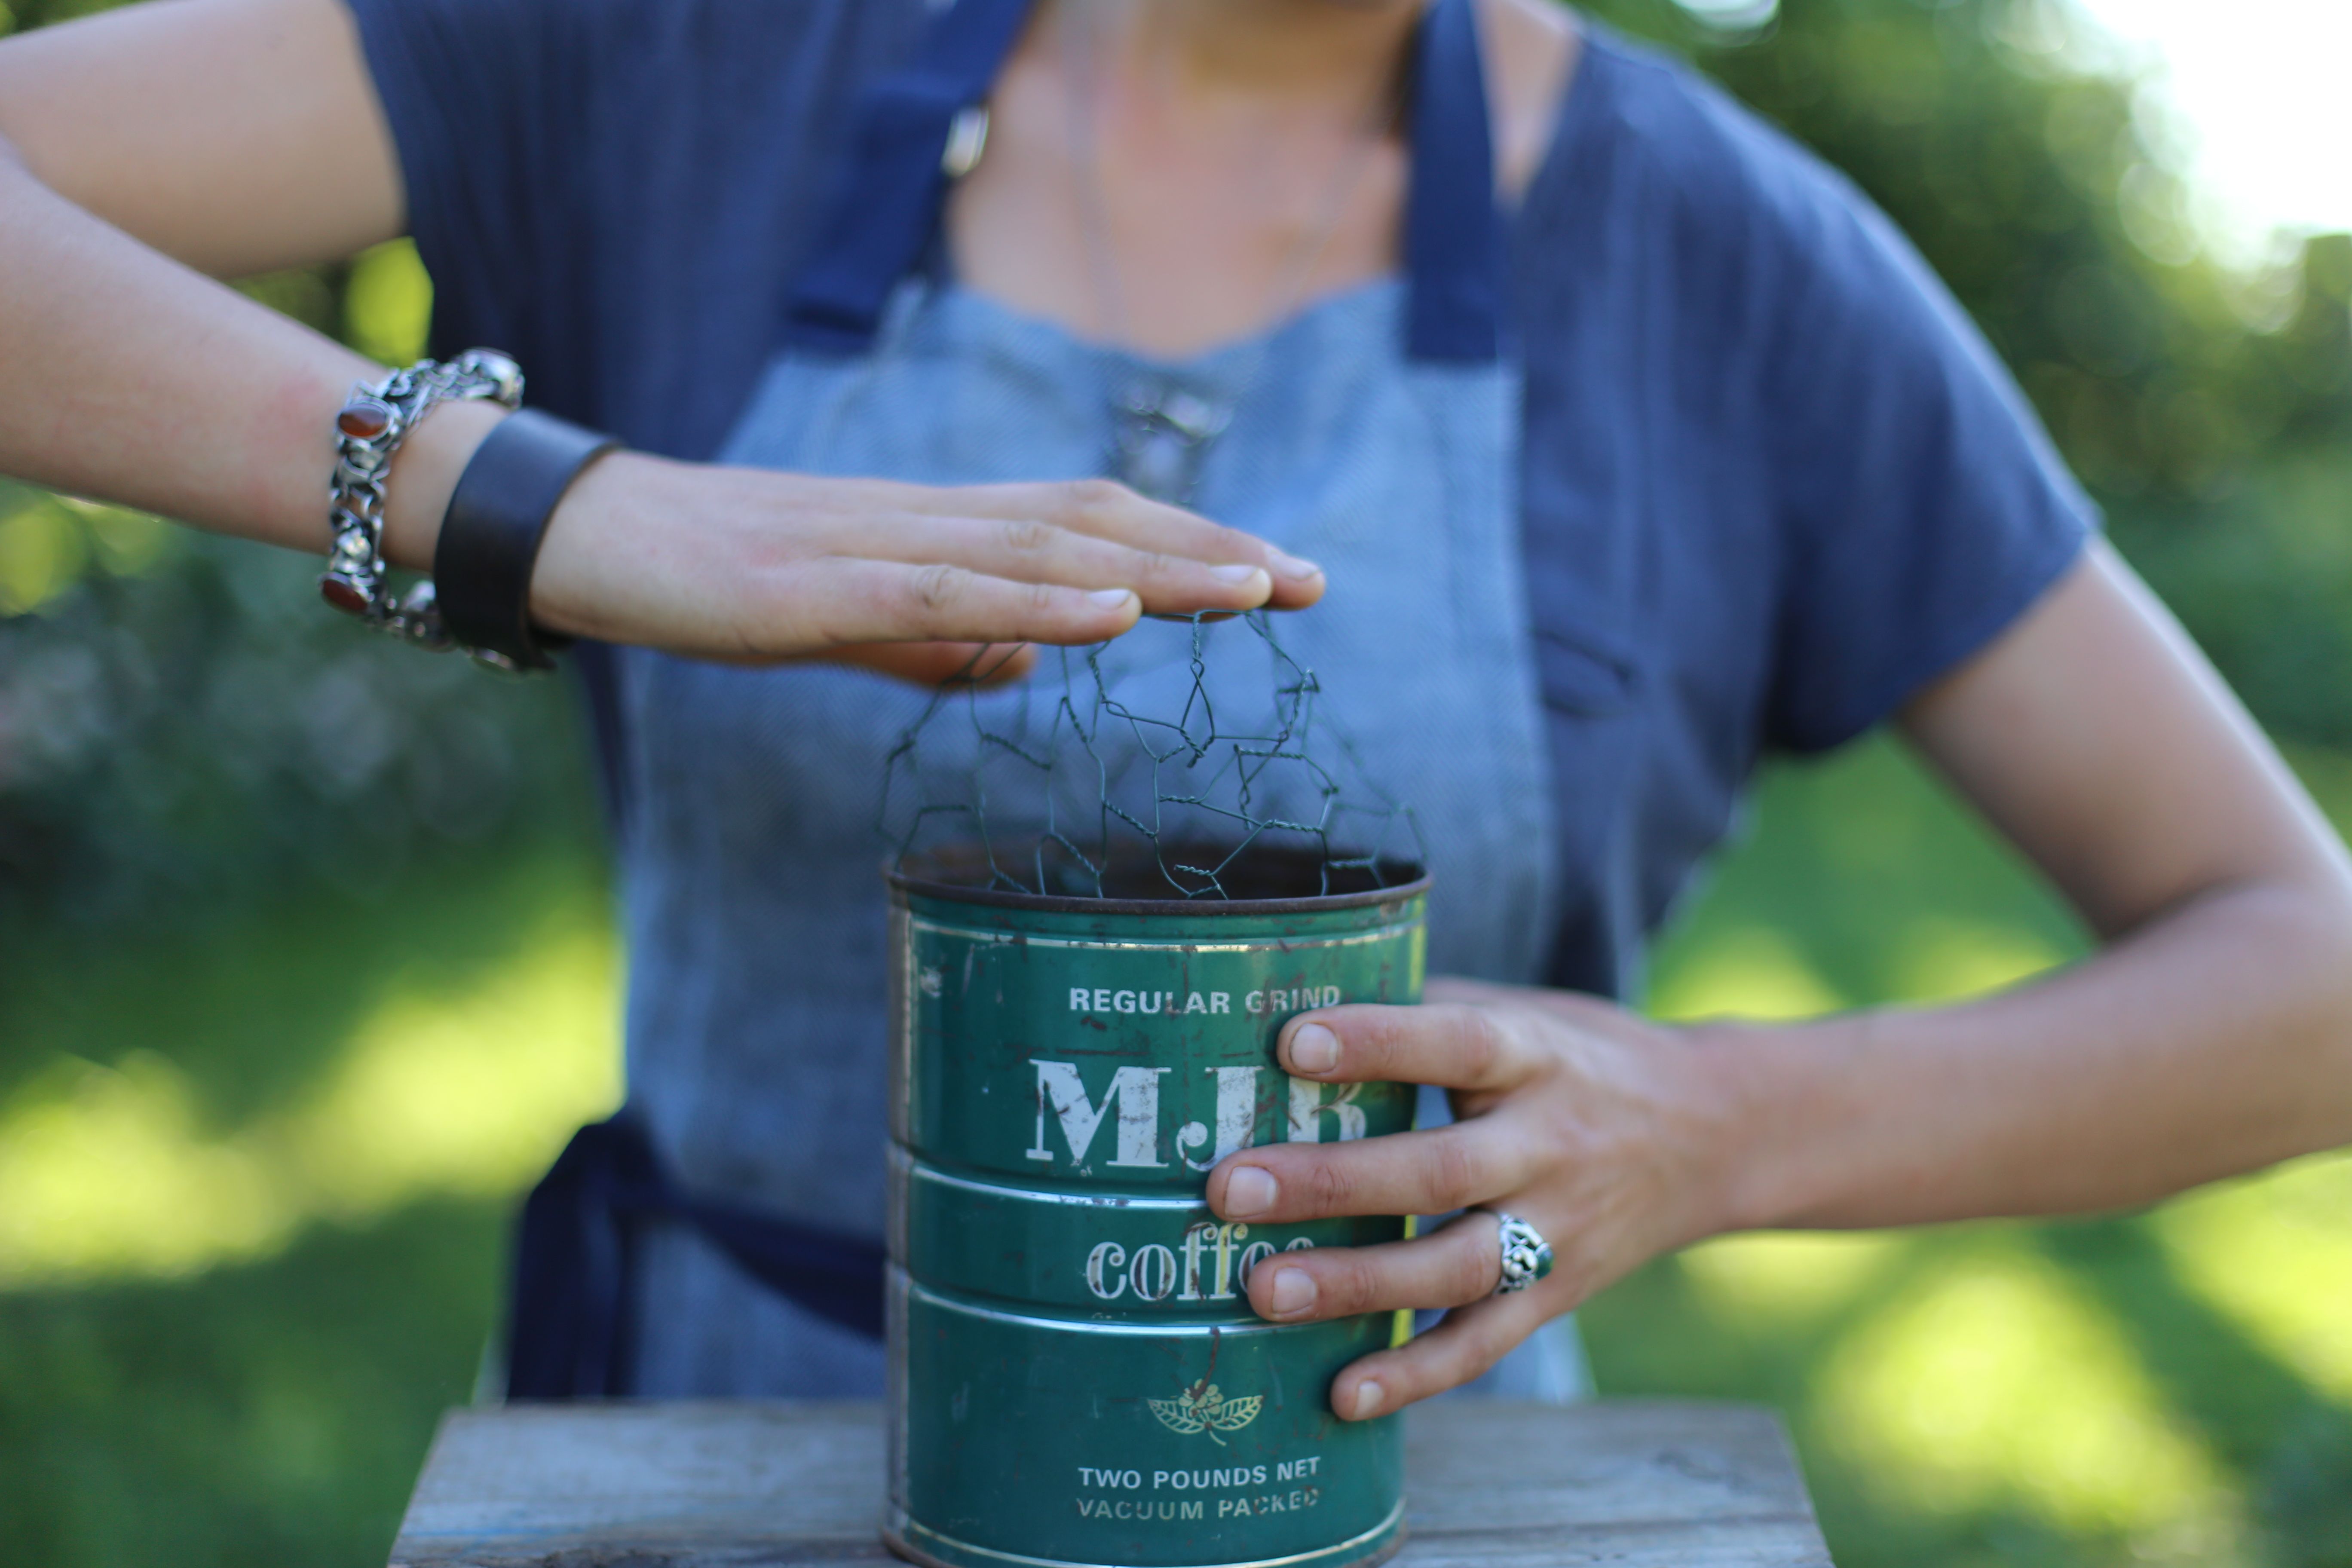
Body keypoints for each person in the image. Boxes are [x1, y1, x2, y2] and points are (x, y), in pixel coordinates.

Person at [3, 0, 2349, 1424]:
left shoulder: (1737, 264)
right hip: (697, 1463)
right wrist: (544, 501)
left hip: (1397, 1493)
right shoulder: (680, 48)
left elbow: (2306, 981)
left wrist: (1725, 1121)